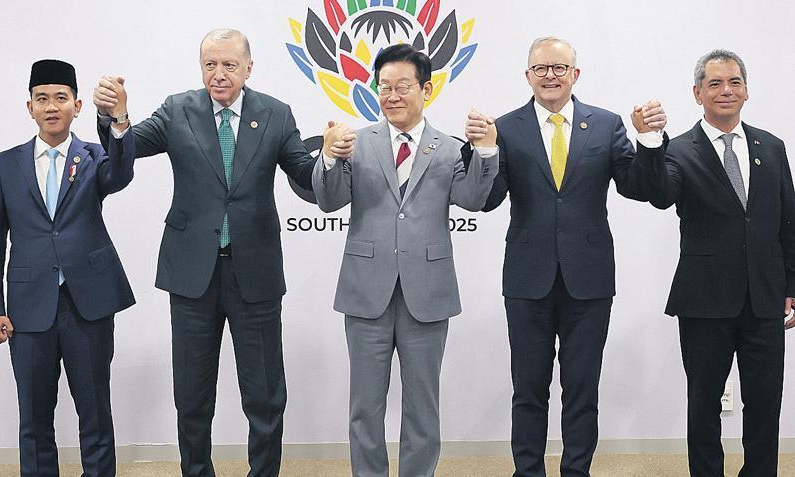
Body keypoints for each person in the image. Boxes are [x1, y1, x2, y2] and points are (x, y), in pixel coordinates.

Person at [93, 28, 353, 477]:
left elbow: (304, 175)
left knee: (265, 396)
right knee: (192, 396)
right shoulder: (178, 110)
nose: (219, 74)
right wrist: (115, 117)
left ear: (249, 68)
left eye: (229, 65)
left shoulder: (275, 114)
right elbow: (129, 145)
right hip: (192, 275)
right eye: (210, 64)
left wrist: (327, 157)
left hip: (256, 275)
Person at [481, 37, 667, 476]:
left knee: (582, 390)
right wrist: (484, 150)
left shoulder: (605, 125)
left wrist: (649, 139)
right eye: (541, 68)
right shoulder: (505, 128)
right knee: (528, 389)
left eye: (559, 68)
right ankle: (528, 471)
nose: (550, 76)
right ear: (528, 75)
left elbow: (639, 187)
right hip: (527, 279)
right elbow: (488, 200)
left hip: (590, 279)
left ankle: (576, 471)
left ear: (575, 74)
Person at [313, 44, 499, 477]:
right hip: (366, 293)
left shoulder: (450, 148)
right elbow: (329, 201)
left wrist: (486, 152)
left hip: (427, 295)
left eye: (402, 86)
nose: (392, 95)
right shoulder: (355, 143)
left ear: (426, 90)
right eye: (384, 87)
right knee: (364, 408)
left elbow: (473, 199)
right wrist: (328, 157)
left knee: (422, 407)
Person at [632, 49, 795, 476]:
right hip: (703, 301)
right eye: (715, 83)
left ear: (746, 90)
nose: (726, 90)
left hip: (765, 298)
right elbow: (659, 195)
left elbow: (787, 221)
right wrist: (649, 142)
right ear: (697, 93)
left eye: (734, 82)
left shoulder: (771, 146)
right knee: (703, 404)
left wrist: (792, 286)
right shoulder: (678, 149)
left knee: (765, 404)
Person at [0, 59, 136, 477]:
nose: (51, 106)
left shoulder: (96, 157)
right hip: (29, 306)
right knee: (33, 417)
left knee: (95, 411)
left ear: (77, 106)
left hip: (89, 304)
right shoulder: (5, 164)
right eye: (42, 98)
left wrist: (118, 117)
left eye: (61, 98)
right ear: (29, 107)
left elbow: (121, 174)